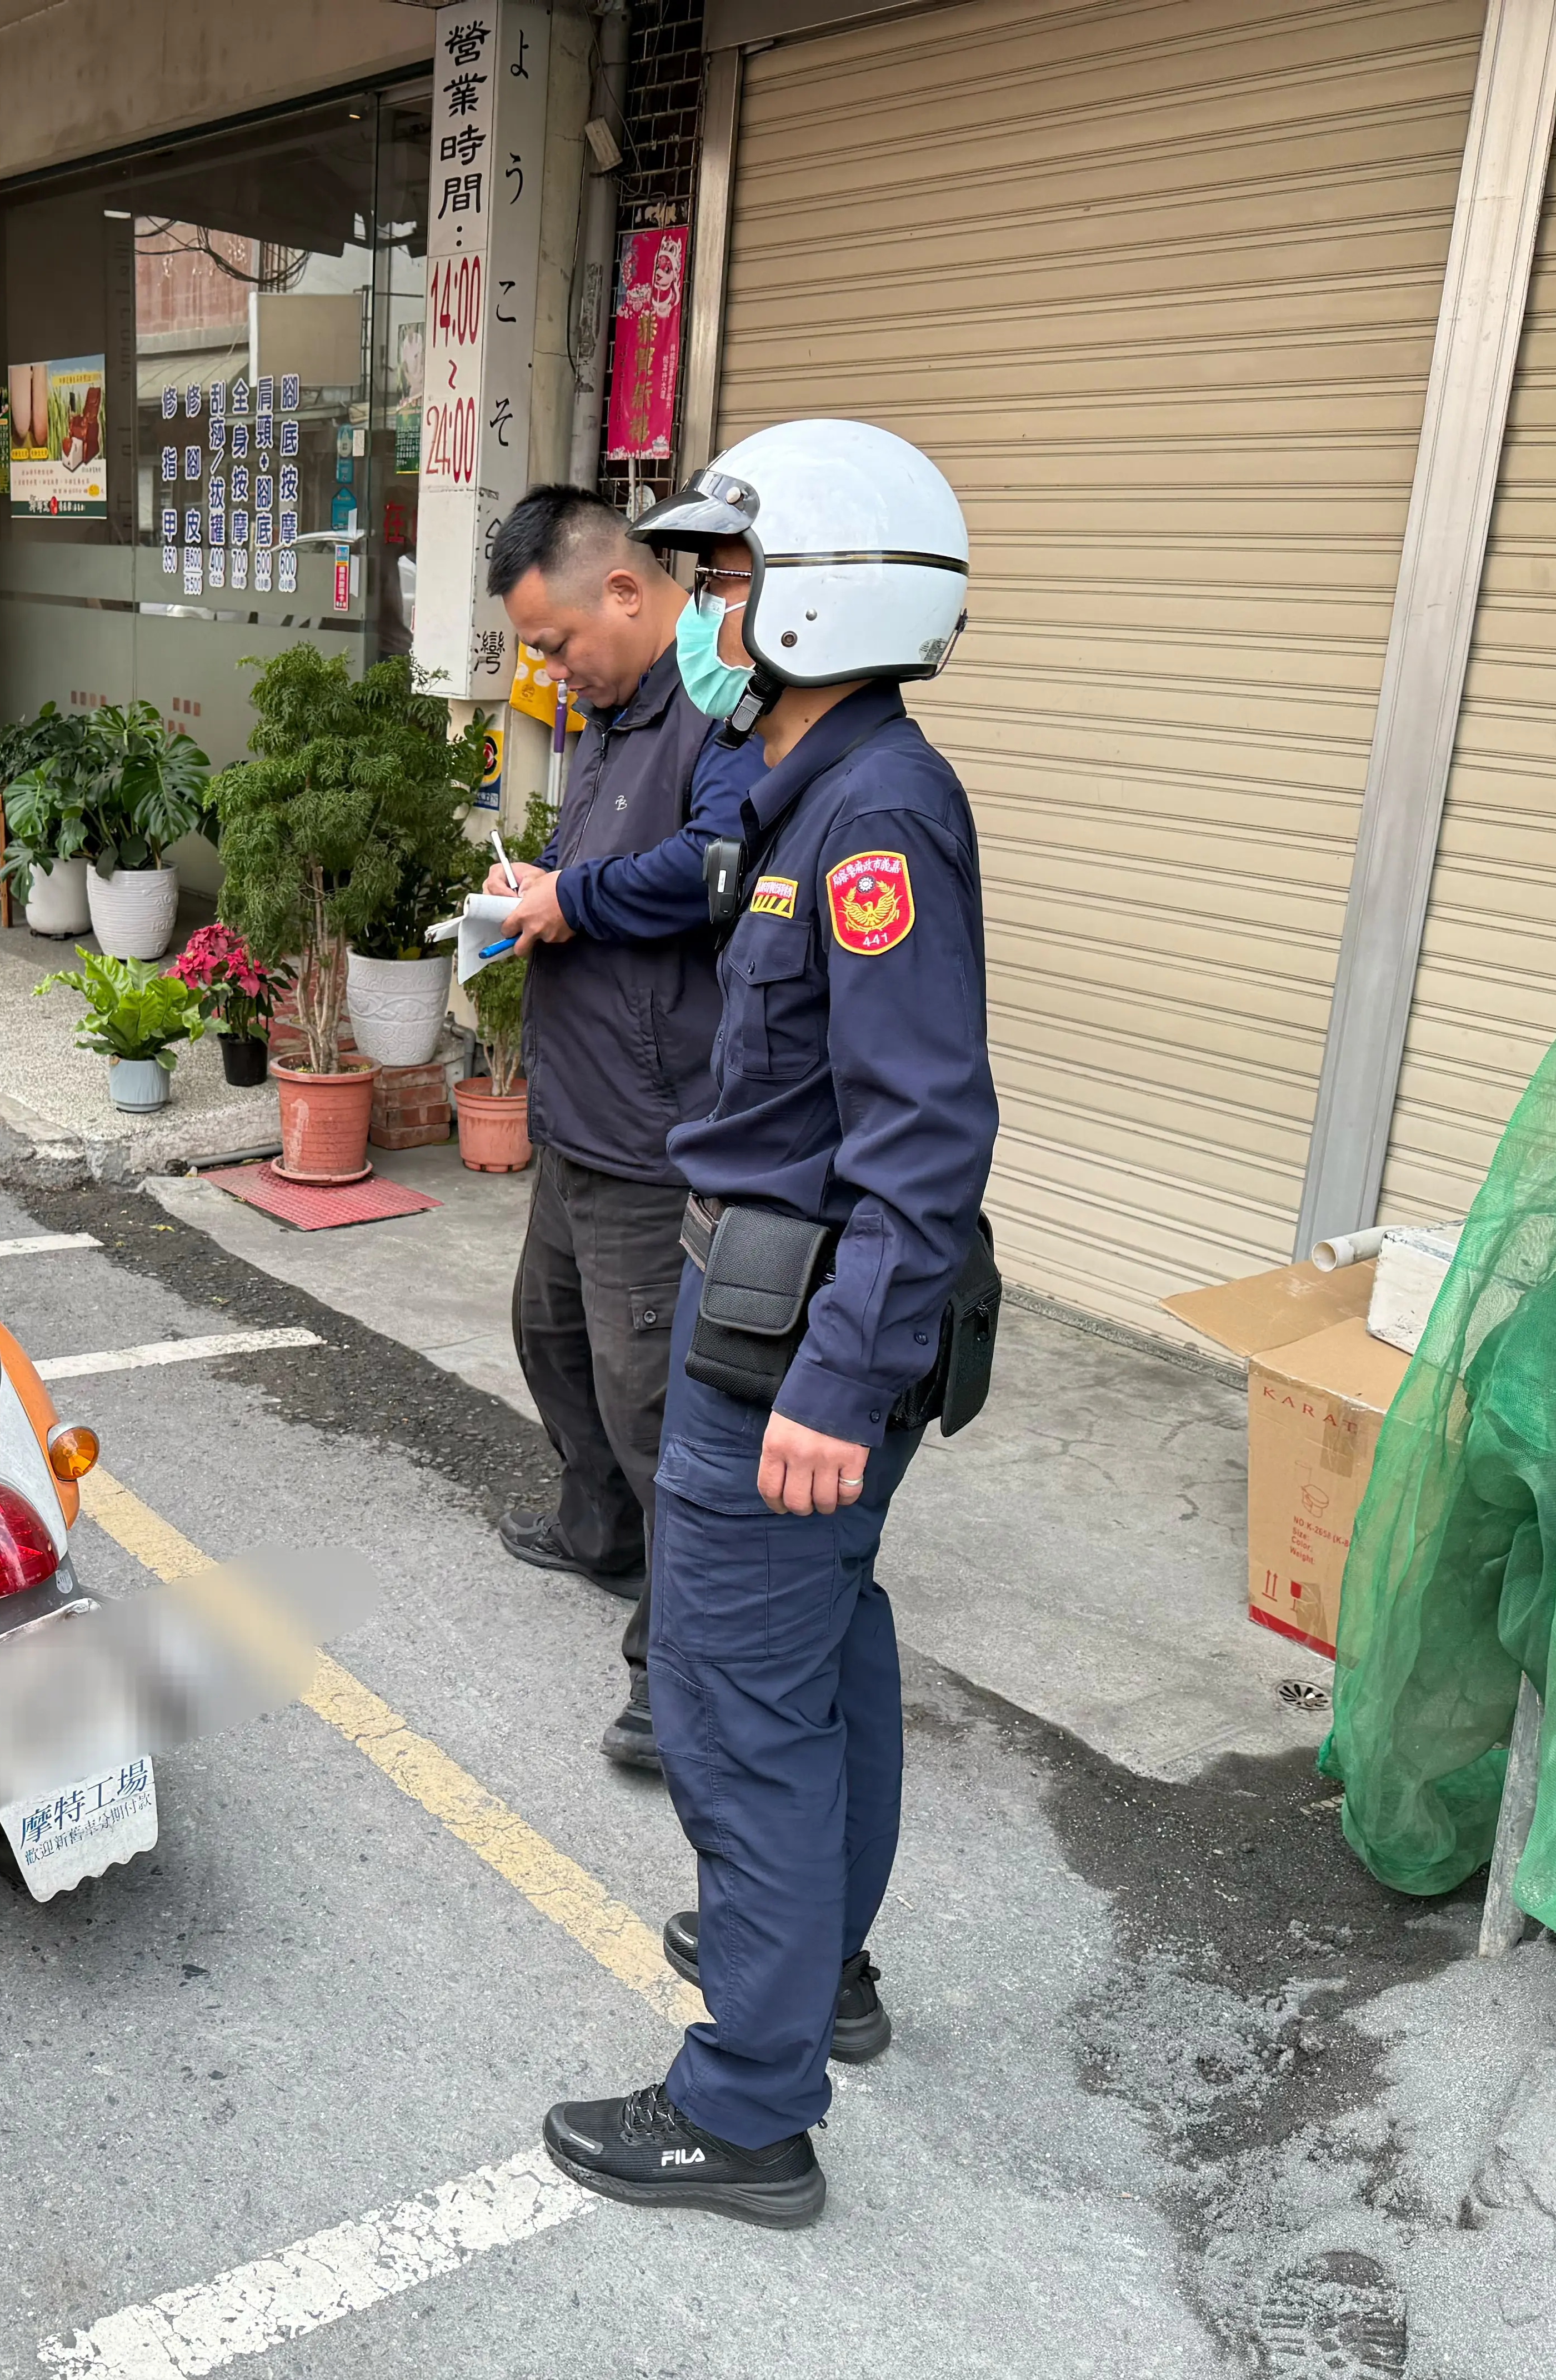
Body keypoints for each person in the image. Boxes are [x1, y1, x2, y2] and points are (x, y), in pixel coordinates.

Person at [541, 421, 998, 2229]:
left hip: (796, 1332)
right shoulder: (804, 789)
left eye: (723, 582)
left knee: (736, 1710)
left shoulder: (876, 813)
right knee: (830, 1665)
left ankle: (747, 2102)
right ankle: (827, 1972)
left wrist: (836, 1378)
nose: (699, 615)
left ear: (820, 601)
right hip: (794, 1305)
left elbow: (924, 1135)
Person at [479, 486, 763, 1774]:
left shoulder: (716, 724)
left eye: (553, 643)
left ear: (627, 594)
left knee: (659, 1411)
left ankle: (676, 1672)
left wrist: (574, 896)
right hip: (578, 1114)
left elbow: (719, 871)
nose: (549, 670)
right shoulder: (608, 719)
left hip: (658, 1135)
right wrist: (534, 886)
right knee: (550, 1339)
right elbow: (596, 873)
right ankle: (599, 1532)